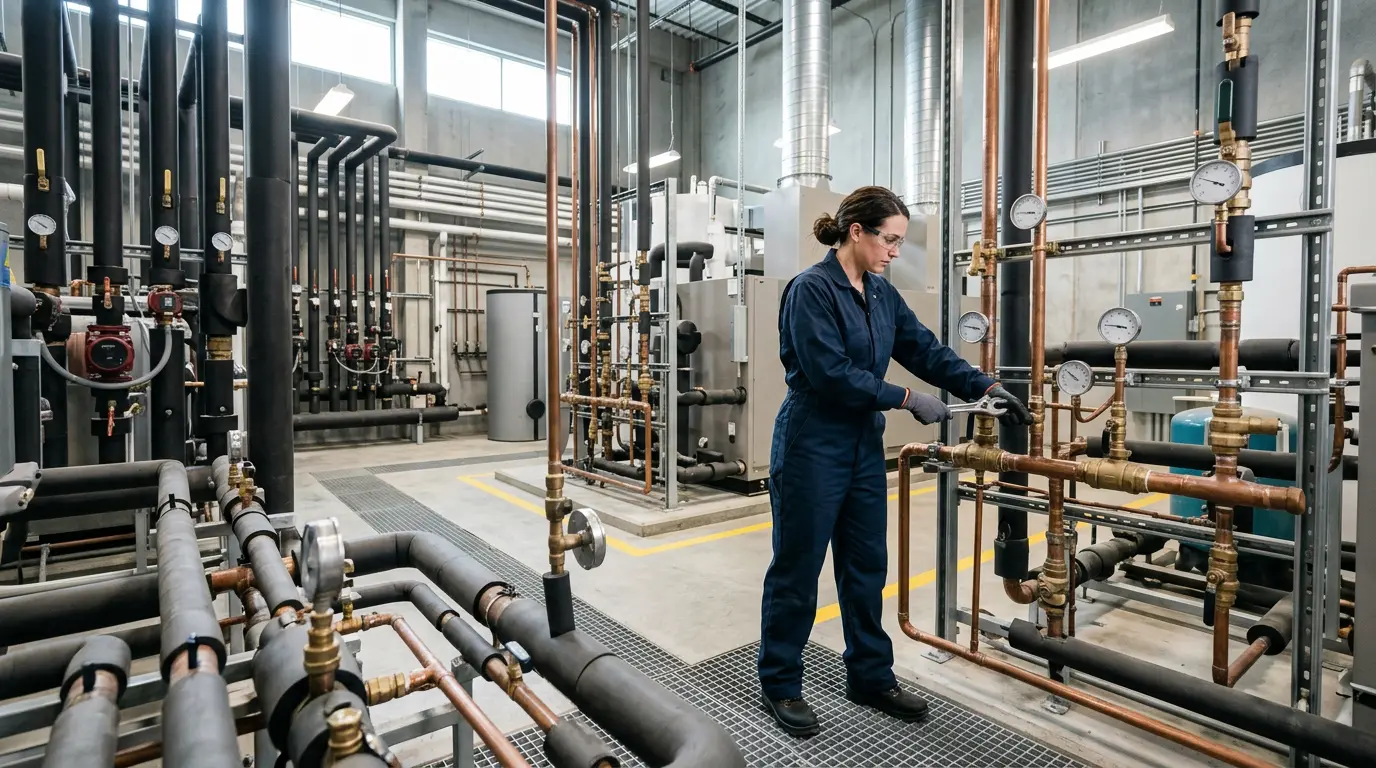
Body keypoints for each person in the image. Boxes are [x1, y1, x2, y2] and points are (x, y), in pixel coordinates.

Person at [757, 185, 1031, 737]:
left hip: (861, 446)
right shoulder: (810, 290)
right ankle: (781, 682)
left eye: (901, 242)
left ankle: (869, 674)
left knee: (865, 566)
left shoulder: (881, 295)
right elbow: (830, 374)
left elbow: (925, 350)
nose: (895, 252)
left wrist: (986, 385)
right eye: (889, 239)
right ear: (855, 231)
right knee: (798, 568)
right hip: (813, 440)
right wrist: (906, 399)